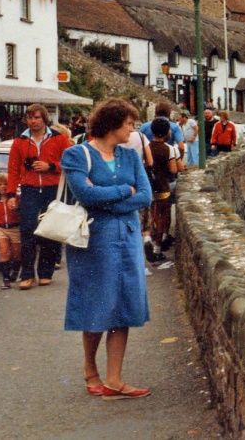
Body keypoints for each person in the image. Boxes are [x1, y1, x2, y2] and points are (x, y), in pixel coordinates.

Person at [61, 97, 152, 400]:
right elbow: (85, 195)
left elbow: (146, 197)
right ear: (113, 124)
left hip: (126, 239)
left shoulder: (130, 157)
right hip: (93, 241)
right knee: (96, 304)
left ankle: (114, 380)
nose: (132, 130)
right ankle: (91, 370)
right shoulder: (77, 154)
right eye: (129, 124)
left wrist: (106, 197)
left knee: (123, 307)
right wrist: (124, 190)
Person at [6, 103, 71, 290]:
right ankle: (27, 275)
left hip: (52, 189)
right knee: (27, 230)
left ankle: (45, 272)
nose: (33, 121)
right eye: (30, 118)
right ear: (26, 120)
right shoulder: (19, 142)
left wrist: (50, 166)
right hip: (30, 190)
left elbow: (69, 162)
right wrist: (11, 194)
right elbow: (12, 170)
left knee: (49, 230)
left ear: (44, 119)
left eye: (37, 117)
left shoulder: (58, 139)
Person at [121, 123, 155, 261]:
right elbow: (150, 161)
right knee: (145, 211)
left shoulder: (116, 140)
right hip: (139, 178)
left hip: (123, 179)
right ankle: (146, 239)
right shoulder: (141, 136)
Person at [147, 118, 178, 256]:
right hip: (162, 186)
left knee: (150, 214)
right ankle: (157, 248)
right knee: (161, 216)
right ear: (166, 132)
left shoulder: (146, 146)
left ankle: (147, 239)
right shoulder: (169, 148)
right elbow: (173, 169)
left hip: (148, 185)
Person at [0, 173, 21, 289]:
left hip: (15, 228)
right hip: (1, 229)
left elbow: (22, 212)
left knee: (16, 254)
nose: (3, 187)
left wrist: (17, 208)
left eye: (5, 184)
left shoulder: (16, 199)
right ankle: (5, 279)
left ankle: (15, 270)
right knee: (4, 252)